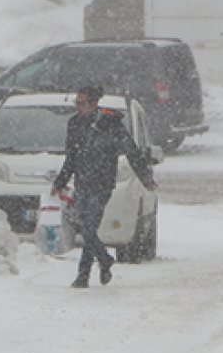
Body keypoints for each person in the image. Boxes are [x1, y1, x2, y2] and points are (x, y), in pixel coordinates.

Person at [52, 85, 158, 288]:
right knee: (84, 227)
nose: (78, 107)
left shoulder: (110, 124)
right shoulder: (74, 124)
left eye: (81, 103)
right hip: (82, 182)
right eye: (76, 103)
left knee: (89, 226)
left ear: (93, 104)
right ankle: (103, 259)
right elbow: (71, 157)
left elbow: (132, 151)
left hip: (102, 183)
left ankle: (83, 275)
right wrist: (61, 182)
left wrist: (145, 178)